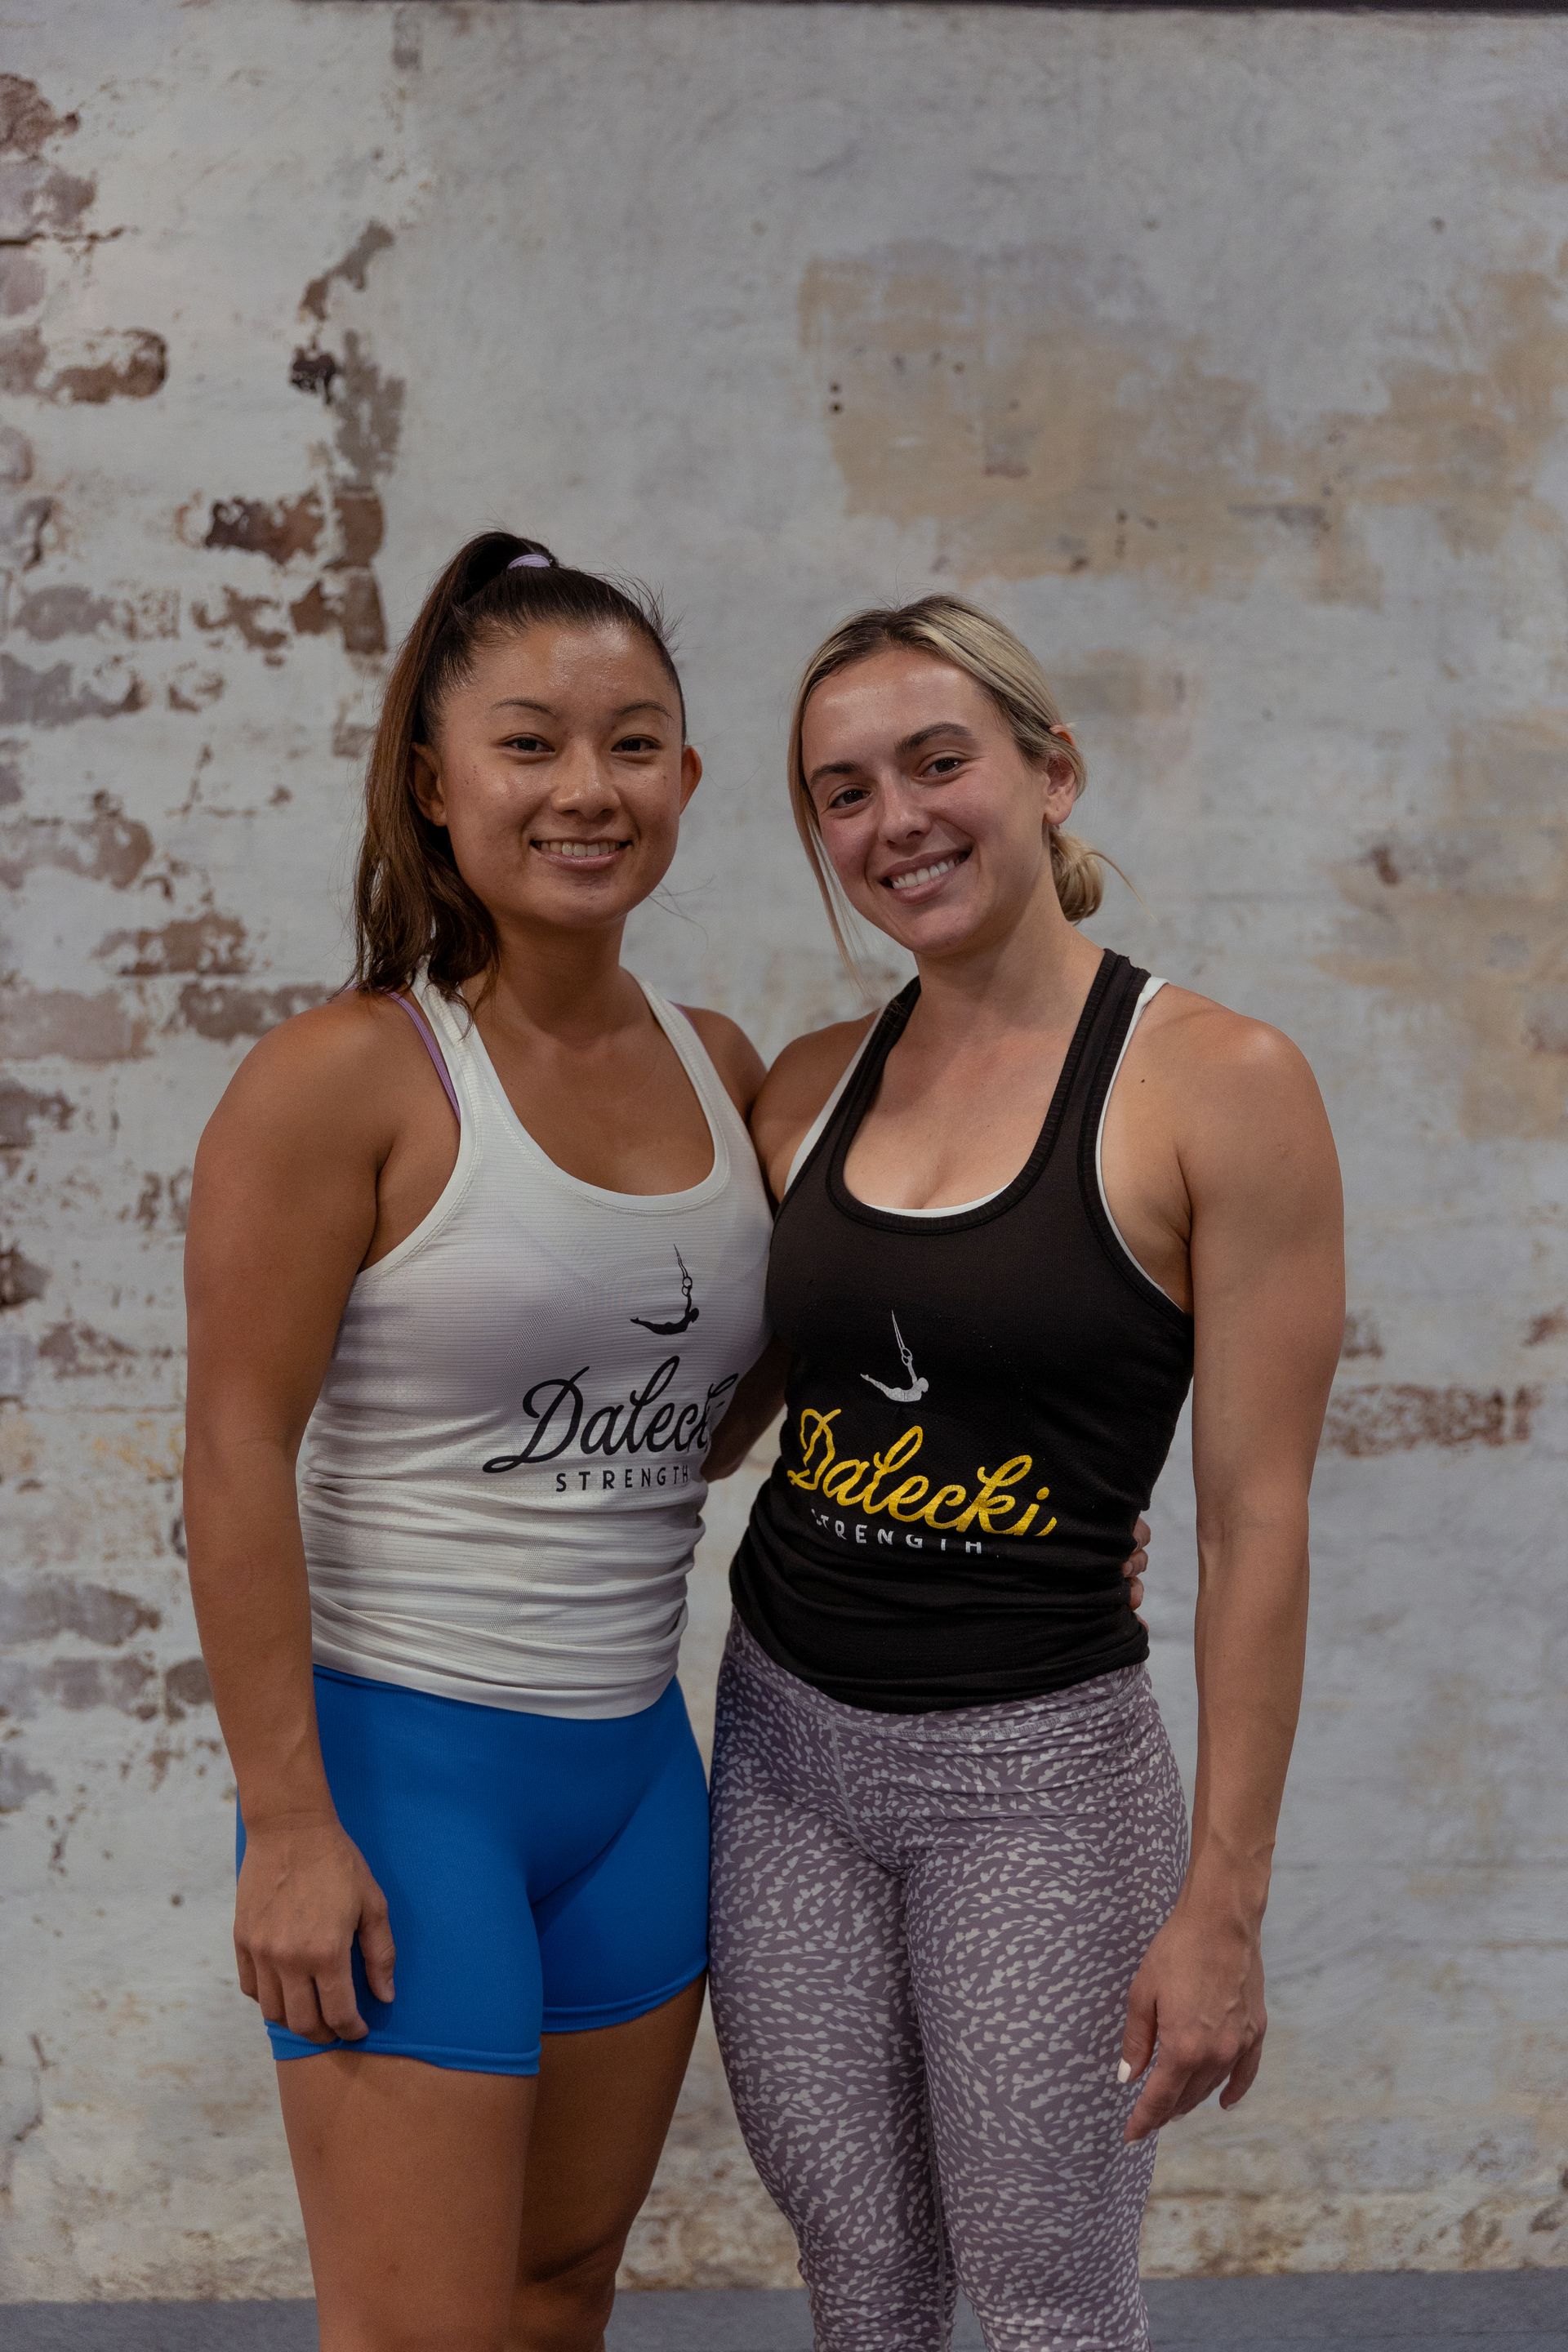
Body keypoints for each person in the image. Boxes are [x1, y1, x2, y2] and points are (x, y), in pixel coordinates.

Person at [707, 595, 1344, 2352]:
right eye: (842, 793)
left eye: (937, 762)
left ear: (1051, 773)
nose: (894, 822)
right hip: (782, 1756)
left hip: (1038, 1786)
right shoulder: (809, 1093)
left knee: (1048, 2303)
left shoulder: (1220, 1085)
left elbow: (1259, 1523)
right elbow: (715, 1410)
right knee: (866, 2288)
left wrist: (1224, 1902)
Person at [180, 533, 781, 2352]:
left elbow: (717, 1407)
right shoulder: (344, 1076)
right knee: (421, 2330)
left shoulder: (722, 1061)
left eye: (633, 741)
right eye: (530, 745)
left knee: (555, 2295)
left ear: (685, 774)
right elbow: (226, 1459)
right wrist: (288, 1820)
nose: (586, 789)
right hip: (399, 1775)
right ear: (435, 788)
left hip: (632, 1775)